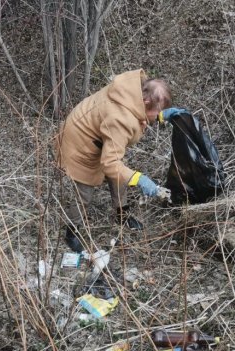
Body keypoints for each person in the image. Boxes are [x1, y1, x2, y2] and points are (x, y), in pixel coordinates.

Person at [55, 68, 183, 252]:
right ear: (146, 101)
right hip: (79, 143)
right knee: (84, 193)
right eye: (158, 111)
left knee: (121, 177)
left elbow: (142, 113)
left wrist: (161, 115)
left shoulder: (133, 91)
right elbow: (110, 163)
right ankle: (71, 232)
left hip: (96, 134)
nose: (157, 116)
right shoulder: (120, 119)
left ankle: (122, 216)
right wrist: (140, 179)